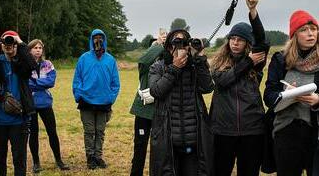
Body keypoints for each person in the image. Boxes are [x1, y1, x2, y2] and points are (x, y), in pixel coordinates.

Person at [209, 0, 269, 176]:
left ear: (247, 43)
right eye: (232, 39)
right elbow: (223, 81)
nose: (235, 43)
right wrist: (247, 62)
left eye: (240, 39)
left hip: (252, 129)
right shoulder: (218, 63)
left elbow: (262, 39)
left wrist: (252, 10)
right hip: (222, 130)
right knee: (220, 171)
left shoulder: (257, 60)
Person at [148, 28, 215, 176]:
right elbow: (156, 91)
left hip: (193, 141)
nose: (179, 47)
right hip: (168, 142)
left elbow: (208, 87)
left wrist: (200, 58)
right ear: (169, 47)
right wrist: (175, 68)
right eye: (175, 43)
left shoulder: (194, 66)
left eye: (183, 43)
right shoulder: (158, 66)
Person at [264, 10, 319, 176]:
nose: (310, 34)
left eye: (314, 29)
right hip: (286, 131)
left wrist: (317, 101)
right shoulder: (281, 60)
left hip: (315, 133)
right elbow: (268, 96)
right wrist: (285, 94)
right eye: (304, 30)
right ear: (294, 35)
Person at [0, 30, 36, 176]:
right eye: (5, 42)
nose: (8, 45)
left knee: (19, 159)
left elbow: (33, 64)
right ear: (1, 44)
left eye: (11, 43)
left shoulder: (22, 64)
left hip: (19, 120)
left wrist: (20, 43)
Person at [72, 29, 120, 170]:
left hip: (104, 102)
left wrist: (110, 98)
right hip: (86, 101)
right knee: (89, 131)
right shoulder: (84, 58)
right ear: (91, 40)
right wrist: (79, 94)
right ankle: (90, 157)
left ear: (104, 40)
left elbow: (115, 83)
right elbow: (77, 79)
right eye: (95, 38)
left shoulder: (110, 60)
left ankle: (98, 157)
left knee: (100, 131)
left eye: (100, 37)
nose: (98, 40)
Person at [27, 39, 69, 173]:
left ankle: (59, 160)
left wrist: (35, 81)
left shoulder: (48, 64)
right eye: (35, 48)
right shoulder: (25, 65)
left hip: (45, 103)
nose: (38, 50)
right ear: (29, 50)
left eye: (40, 48)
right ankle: (36, 163)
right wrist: (41, 82)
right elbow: (26, 83)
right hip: (31, 104)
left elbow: (51, 82)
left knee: (52, 132)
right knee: (33, 134)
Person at [129, 30, 166, 176]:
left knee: (159, 149)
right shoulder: (145, 67)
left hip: (160, 111)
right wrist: (158, 44)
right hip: (143, 111)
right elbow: (144, 60)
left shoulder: (166, 65)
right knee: (140, 146)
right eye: (154, 47)